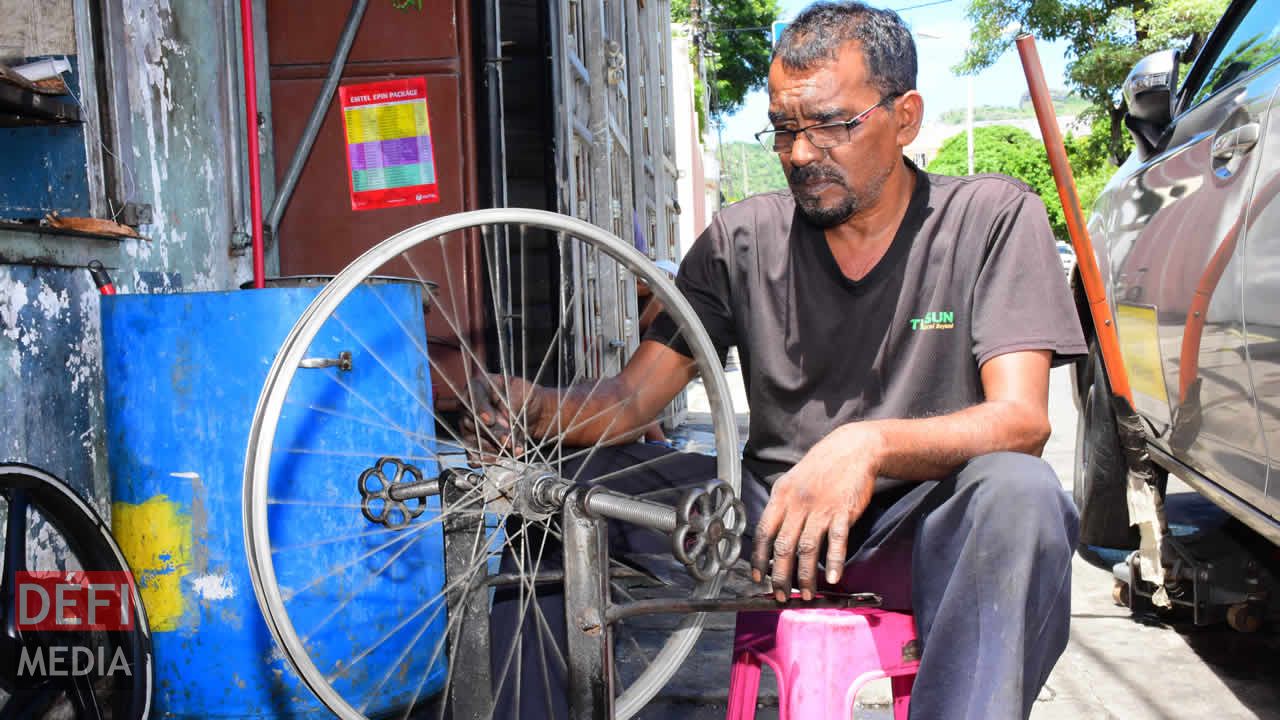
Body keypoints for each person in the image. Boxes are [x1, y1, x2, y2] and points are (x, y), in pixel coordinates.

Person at [475, 2, 1085, 717]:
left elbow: (1021, 421)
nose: (800, 152)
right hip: (767, 531)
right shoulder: (742, 238)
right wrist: (535, 407)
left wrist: (868, 446)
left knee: (1022, 495)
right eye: (786, 128)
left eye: (832, 124)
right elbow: (634, 401)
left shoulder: (990, 218)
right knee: (558, 496)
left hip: (919, 532)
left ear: (906, 117)